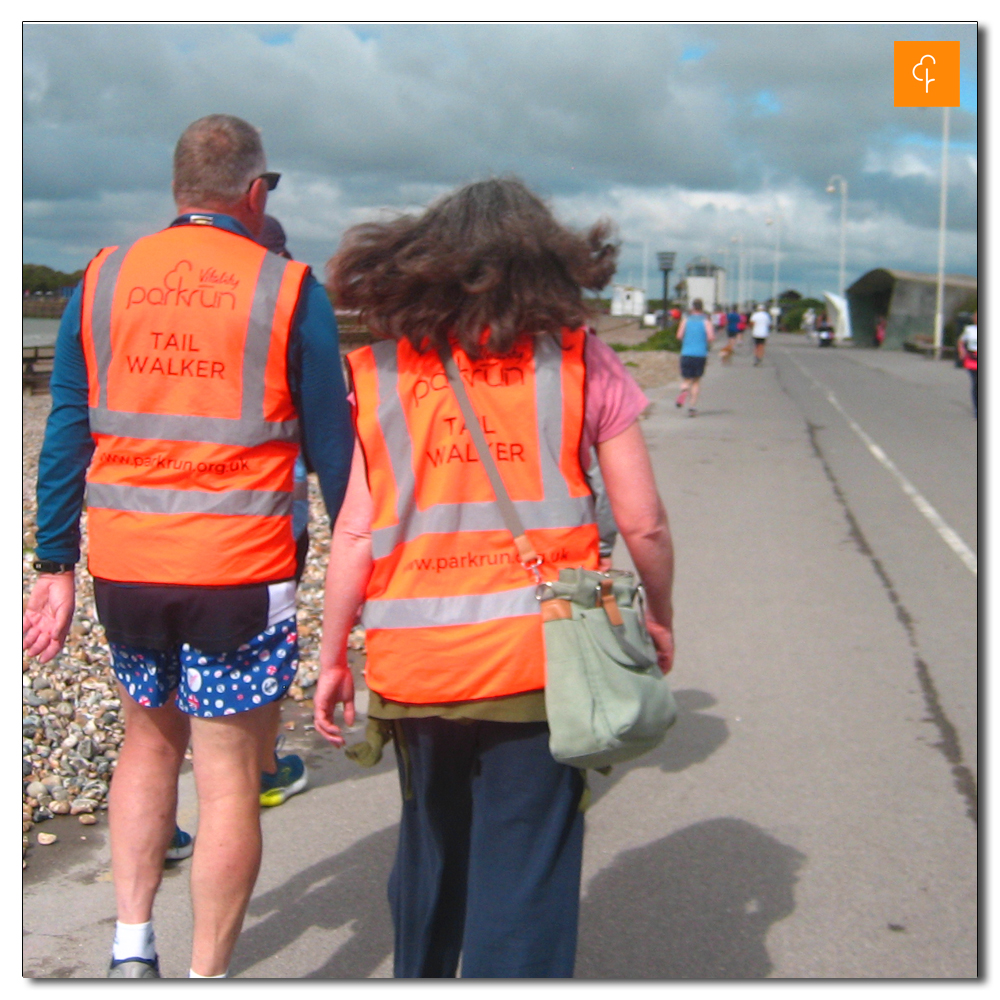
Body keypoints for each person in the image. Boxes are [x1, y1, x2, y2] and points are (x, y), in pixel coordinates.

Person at [314, 178, 676, 978]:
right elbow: (643, 521)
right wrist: (660, 613)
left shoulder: (376, 373)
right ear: (546, 264)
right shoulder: (583, 361)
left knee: (431, 849)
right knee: (527, 867)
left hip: (419, 667)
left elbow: (354, 530)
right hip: (541, 663)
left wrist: (335, 654)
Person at [22, 114, 354, 978]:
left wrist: (51, 564)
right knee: (229, 772)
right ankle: (207, 977)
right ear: (254, 192)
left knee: (146, 743)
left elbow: (67, 428)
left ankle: (131, 946)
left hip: (126, 568)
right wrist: (370, 572)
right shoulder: (286, 288)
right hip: (238, 574)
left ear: (178, 190)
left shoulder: (103, 277)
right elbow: (333, 451)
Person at [675, 298, 715, 416]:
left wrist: (687, 340)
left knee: (686, 379)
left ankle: (684, 389)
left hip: (686, 352)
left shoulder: (686, 320)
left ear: (693, 307)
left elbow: (679, 335)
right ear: (702, 308)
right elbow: (711, 337)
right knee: (696, 381)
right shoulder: (706, 321)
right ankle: (692, 407)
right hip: (700, 353)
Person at [957, 311, 978, 419]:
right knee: (976, 383)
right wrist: (962, 352)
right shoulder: (969, 330)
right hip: (972, 359)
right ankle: (976, 409)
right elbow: (961, 341)